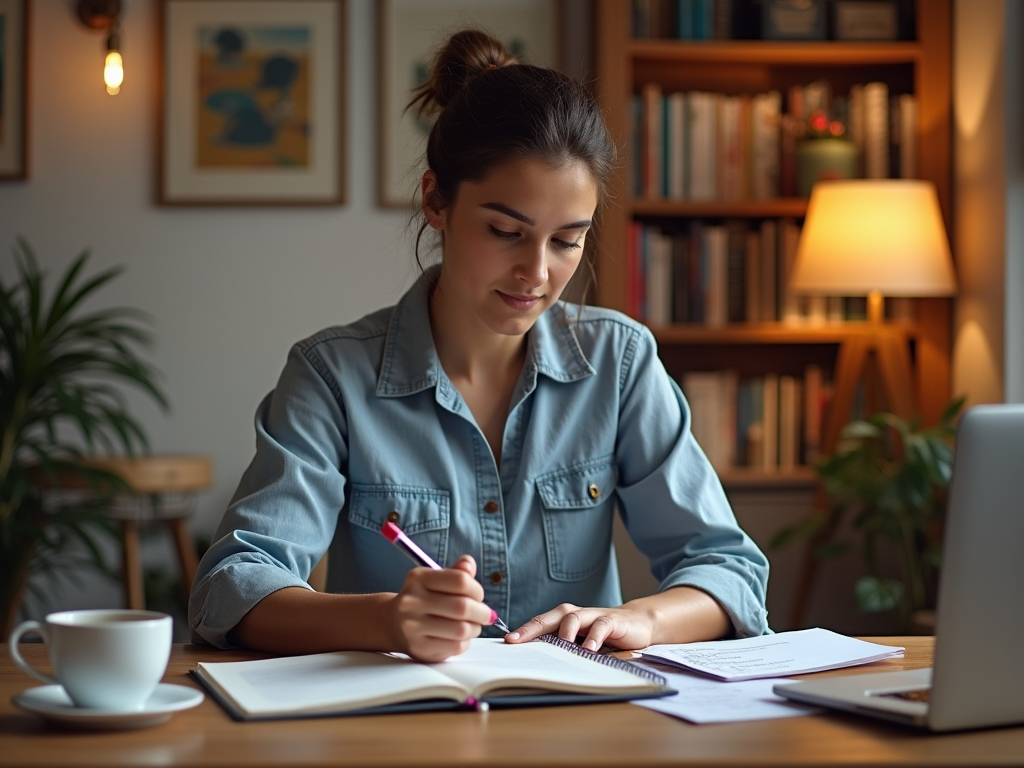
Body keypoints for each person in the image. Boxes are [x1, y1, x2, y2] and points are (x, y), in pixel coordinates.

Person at [188, 29, 769, 663]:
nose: (537, 272)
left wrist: (641, 619)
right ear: (435, 200)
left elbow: (729, 572)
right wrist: (388, 620)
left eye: (567, 240)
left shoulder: (620, 364)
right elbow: (231, 588)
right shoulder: (332, 376)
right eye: (504, 230)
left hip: (581, 732)